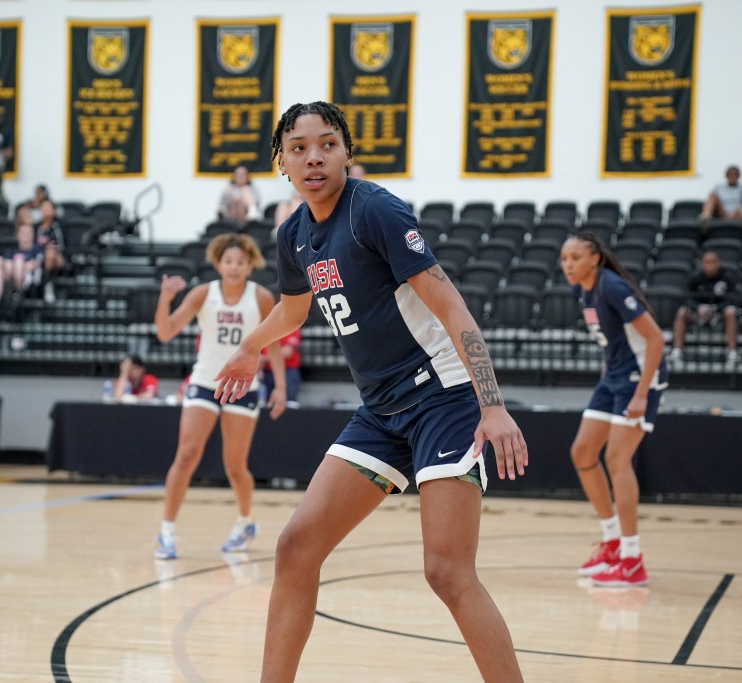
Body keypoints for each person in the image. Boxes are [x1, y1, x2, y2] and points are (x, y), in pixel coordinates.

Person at [214, 102, 528, 682]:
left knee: (447, 571)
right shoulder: (292, 234)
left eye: (327, 144)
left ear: (346, 153)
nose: (314, 157)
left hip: (442, 397)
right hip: (381, 411)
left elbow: (450, 303)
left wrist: (492, 403)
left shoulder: (373, 209)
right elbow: (293, 310)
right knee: (296, 548)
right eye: (299, 147)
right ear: (281, 161)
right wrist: (250, 346)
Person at [152, 233, 286, 559]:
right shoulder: (203, 294)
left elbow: (274, 346)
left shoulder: (261, 297)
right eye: (229, 261)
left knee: (235, 466)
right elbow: (165, 332)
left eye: (241, 262)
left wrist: (280, 387)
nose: (234, 267)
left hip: (243, 386)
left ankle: (245, 522)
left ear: (250, 266)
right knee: (186, 455)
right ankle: (166, 531)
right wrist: (165, 299)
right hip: (205, 382)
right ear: (218, 264)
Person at [559, 231, 667, 588]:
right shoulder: (583, 290)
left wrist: (641, 394)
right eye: (564, 258)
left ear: (595, 259)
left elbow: (655, 339)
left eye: (575, 257)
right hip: (614, 376)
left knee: (617, 460)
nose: (568, 264)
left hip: (639, 378)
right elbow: (614, 342)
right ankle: (613, 542)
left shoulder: (613, 287)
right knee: (582, 452)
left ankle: (632, 560)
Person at [669, 251, 741, 368]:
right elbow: (686, 297)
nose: (710, 266)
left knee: (731, 312)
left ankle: (732, 352)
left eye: (713, 262)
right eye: (707, 262)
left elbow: (734, 298)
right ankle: (677, 351)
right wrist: (698, 307)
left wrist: (716, 308)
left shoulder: (727, 277)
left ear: (718, 263)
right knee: (682, 312)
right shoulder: (695, 277)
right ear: (702, 264)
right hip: (699, 314)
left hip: (719, 314)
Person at [0, 223, 41, 314]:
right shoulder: (12, 250)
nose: (26, 236)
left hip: (26, 279)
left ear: (33, 236)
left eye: (29, 233)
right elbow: (5, 264)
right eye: (23, 234)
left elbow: (35, 265)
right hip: (9, 276)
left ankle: (18, 293)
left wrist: (22, 264)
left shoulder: (36, 250)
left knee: (18, 261)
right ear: (18, 236)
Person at [33, 200, 65, 304]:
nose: (46, 210)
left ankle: (47, 284)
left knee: (50, 253)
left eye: (48, 208)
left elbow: (63, 245)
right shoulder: (35, 227)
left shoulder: (58, 225)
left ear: (53, 211)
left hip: (57, 257)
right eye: (43, 208)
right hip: (38, 255)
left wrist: (53, 247)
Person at [262, 328, 302, 406]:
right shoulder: (264, 327)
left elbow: (287, 352)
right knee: (268, 405)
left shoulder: (290, 326)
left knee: (289, 404)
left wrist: (264, 359)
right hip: (267, 371)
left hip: (288, 371)